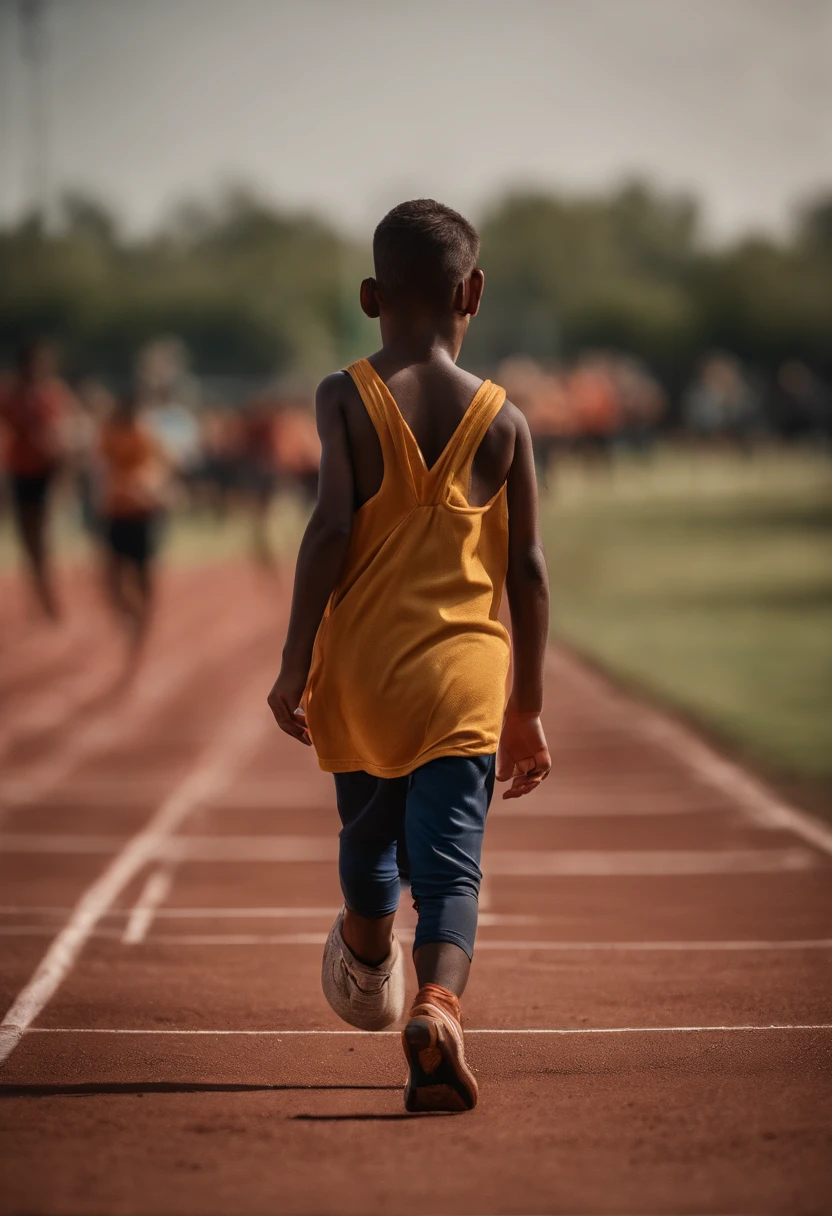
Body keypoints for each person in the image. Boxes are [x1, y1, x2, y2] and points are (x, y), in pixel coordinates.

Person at [268, 200, 551, 1112]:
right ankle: (436, 1005)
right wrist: (528, 708)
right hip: (467, 675)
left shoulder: (344, 395)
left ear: (368, 297)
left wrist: (291, 659)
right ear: (474, 292)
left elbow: (326, 532)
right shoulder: (506, 421)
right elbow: (531, 572)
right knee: (453, 869)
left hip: (363, 673)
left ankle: (362, 935)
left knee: (369, 837)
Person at [0, 340, 73, 619]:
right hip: (20, 471)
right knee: (27, 537)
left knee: (41, 533)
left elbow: (59, 430)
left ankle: (46, 591)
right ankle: (39, 589)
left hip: (45, 471)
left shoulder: (51, 393)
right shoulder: (11, 395)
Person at [97, 393, 168, 658]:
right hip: (117, 509)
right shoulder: (109, 434)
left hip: (141, 511)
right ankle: (132, 615)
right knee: (113, 574)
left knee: (141, 572)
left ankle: (141, 620)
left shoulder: (144, 433)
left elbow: (158, 468)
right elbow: (102, 465)